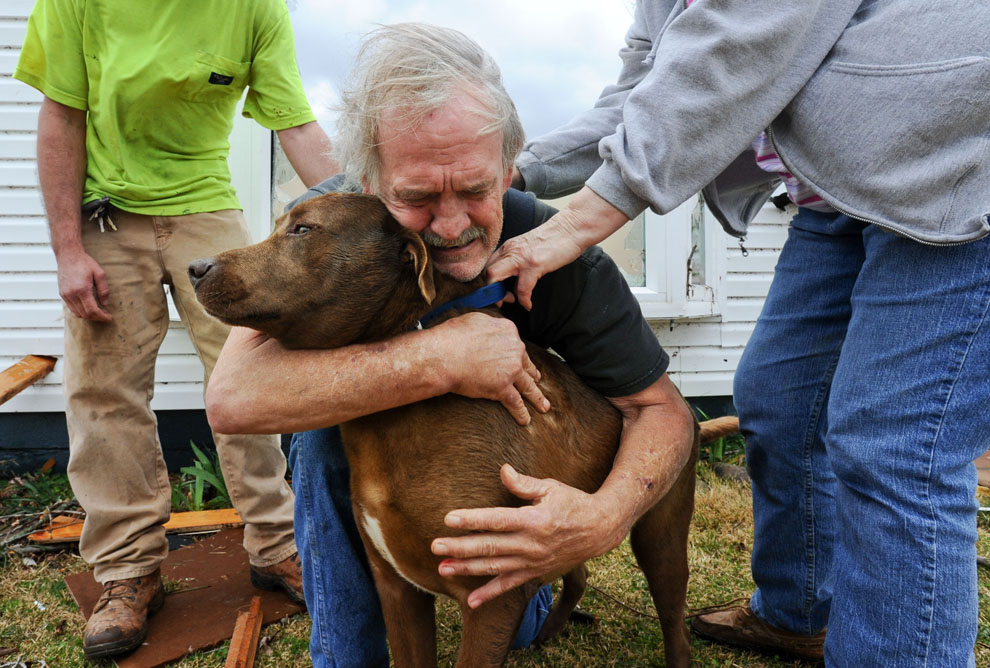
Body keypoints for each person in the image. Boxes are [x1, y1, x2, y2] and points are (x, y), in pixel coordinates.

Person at [486, 1, 990, 666]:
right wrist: (512, 172)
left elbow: (745, 40)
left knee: (895, 445)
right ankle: (798, 612)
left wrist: (577, 219)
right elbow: (650, 90)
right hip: (844, 196)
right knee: (781, 401)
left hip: (955, 169)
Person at [205, 22, 697, 667]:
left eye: (474, 189)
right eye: (415, 197)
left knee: (502, 620)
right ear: (370, 182)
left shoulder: (557, 251)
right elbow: (235, 399)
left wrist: (602, 518)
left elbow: (661, 410)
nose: (453, 223)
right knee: (323, 436)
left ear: (508, 168)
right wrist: (440, 359)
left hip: (500, 464)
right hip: (377, 453)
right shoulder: (331, 226)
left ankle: (533, 590)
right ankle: (348, 653)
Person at [13, 0, 339, 659]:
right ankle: (129, 572)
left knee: (252, 375)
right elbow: (61, 118)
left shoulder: (255, 8)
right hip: (108, 210)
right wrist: (67, 251)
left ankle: (277, 546)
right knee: (106, 396)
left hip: (205, 202)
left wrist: (363, 205)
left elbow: (296, 126)